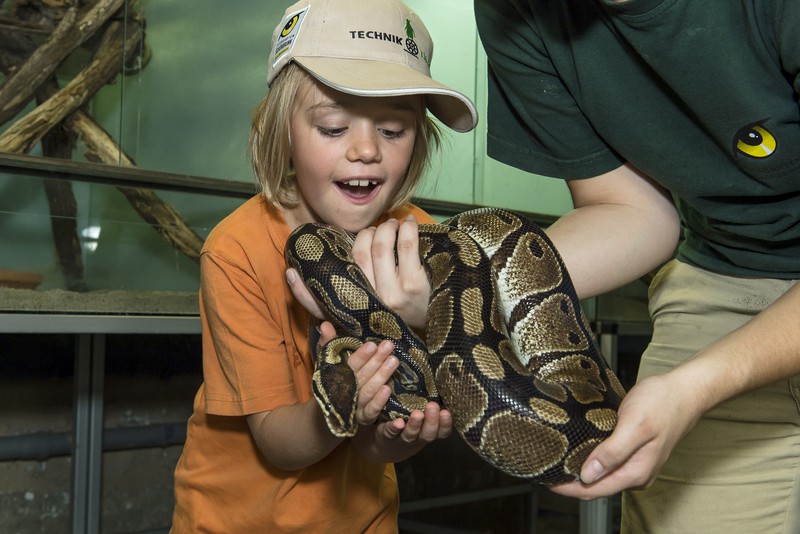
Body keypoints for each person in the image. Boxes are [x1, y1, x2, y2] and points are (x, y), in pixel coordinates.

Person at [474, 1, 800, 532]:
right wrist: (466, 284)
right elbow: (630, 212)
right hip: (723, 269)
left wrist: (697, 386)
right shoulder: (513, 9)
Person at [170, 0, 477, 531]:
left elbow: (374, 448)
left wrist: (390, 433)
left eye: (393, 130)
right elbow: (278, 445)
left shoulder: (421, 242)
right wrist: (343, 406)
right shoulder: (237, 249)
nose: (365, 150)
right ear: (280, 134)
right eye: (334, 128)